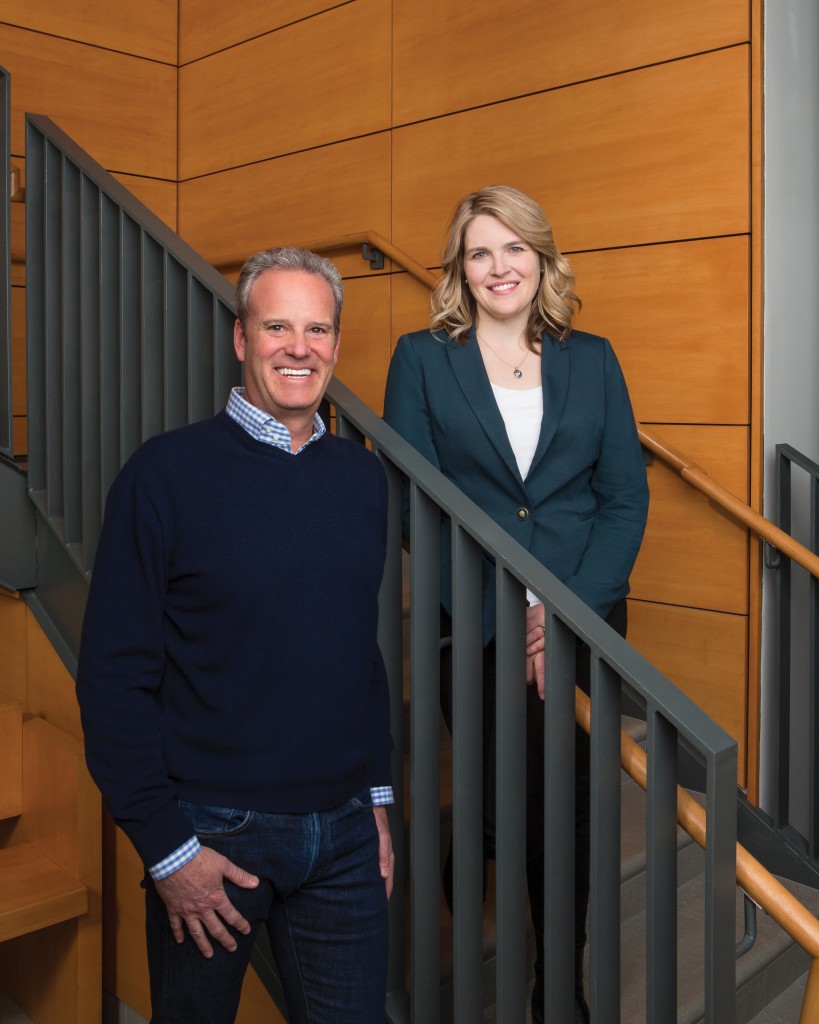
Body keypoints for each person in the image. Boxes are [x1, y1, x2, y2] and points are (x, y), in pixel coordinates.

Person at [77, 247, 395, 1024]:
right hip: (214, 834)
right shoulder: (163, 476)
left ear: (336, 345)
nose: (299, 346)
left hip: (346, 833)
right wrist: (167, 849)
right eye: (277, 325)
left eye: (317, 329)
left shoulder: (361, 479)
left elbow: (359, 651)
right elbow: (113, 676)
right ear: (241, 338)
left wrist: (378, 801)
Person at [383, 185, 649, 1023]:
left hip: (580, 618)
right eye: (479, 251)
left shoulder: (592, 358)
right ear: (461, 268)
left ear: (541, 256)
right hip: (477, 621)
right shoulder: (421, 358)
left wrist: (561, 611)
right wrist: (514, 605)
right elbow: (411, 503)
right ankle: (473, 851)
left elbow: (623, 498)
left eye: (513, 248)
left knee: (568, 808)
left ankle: (556, 984)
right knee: (512, 800)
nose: (498, 266)